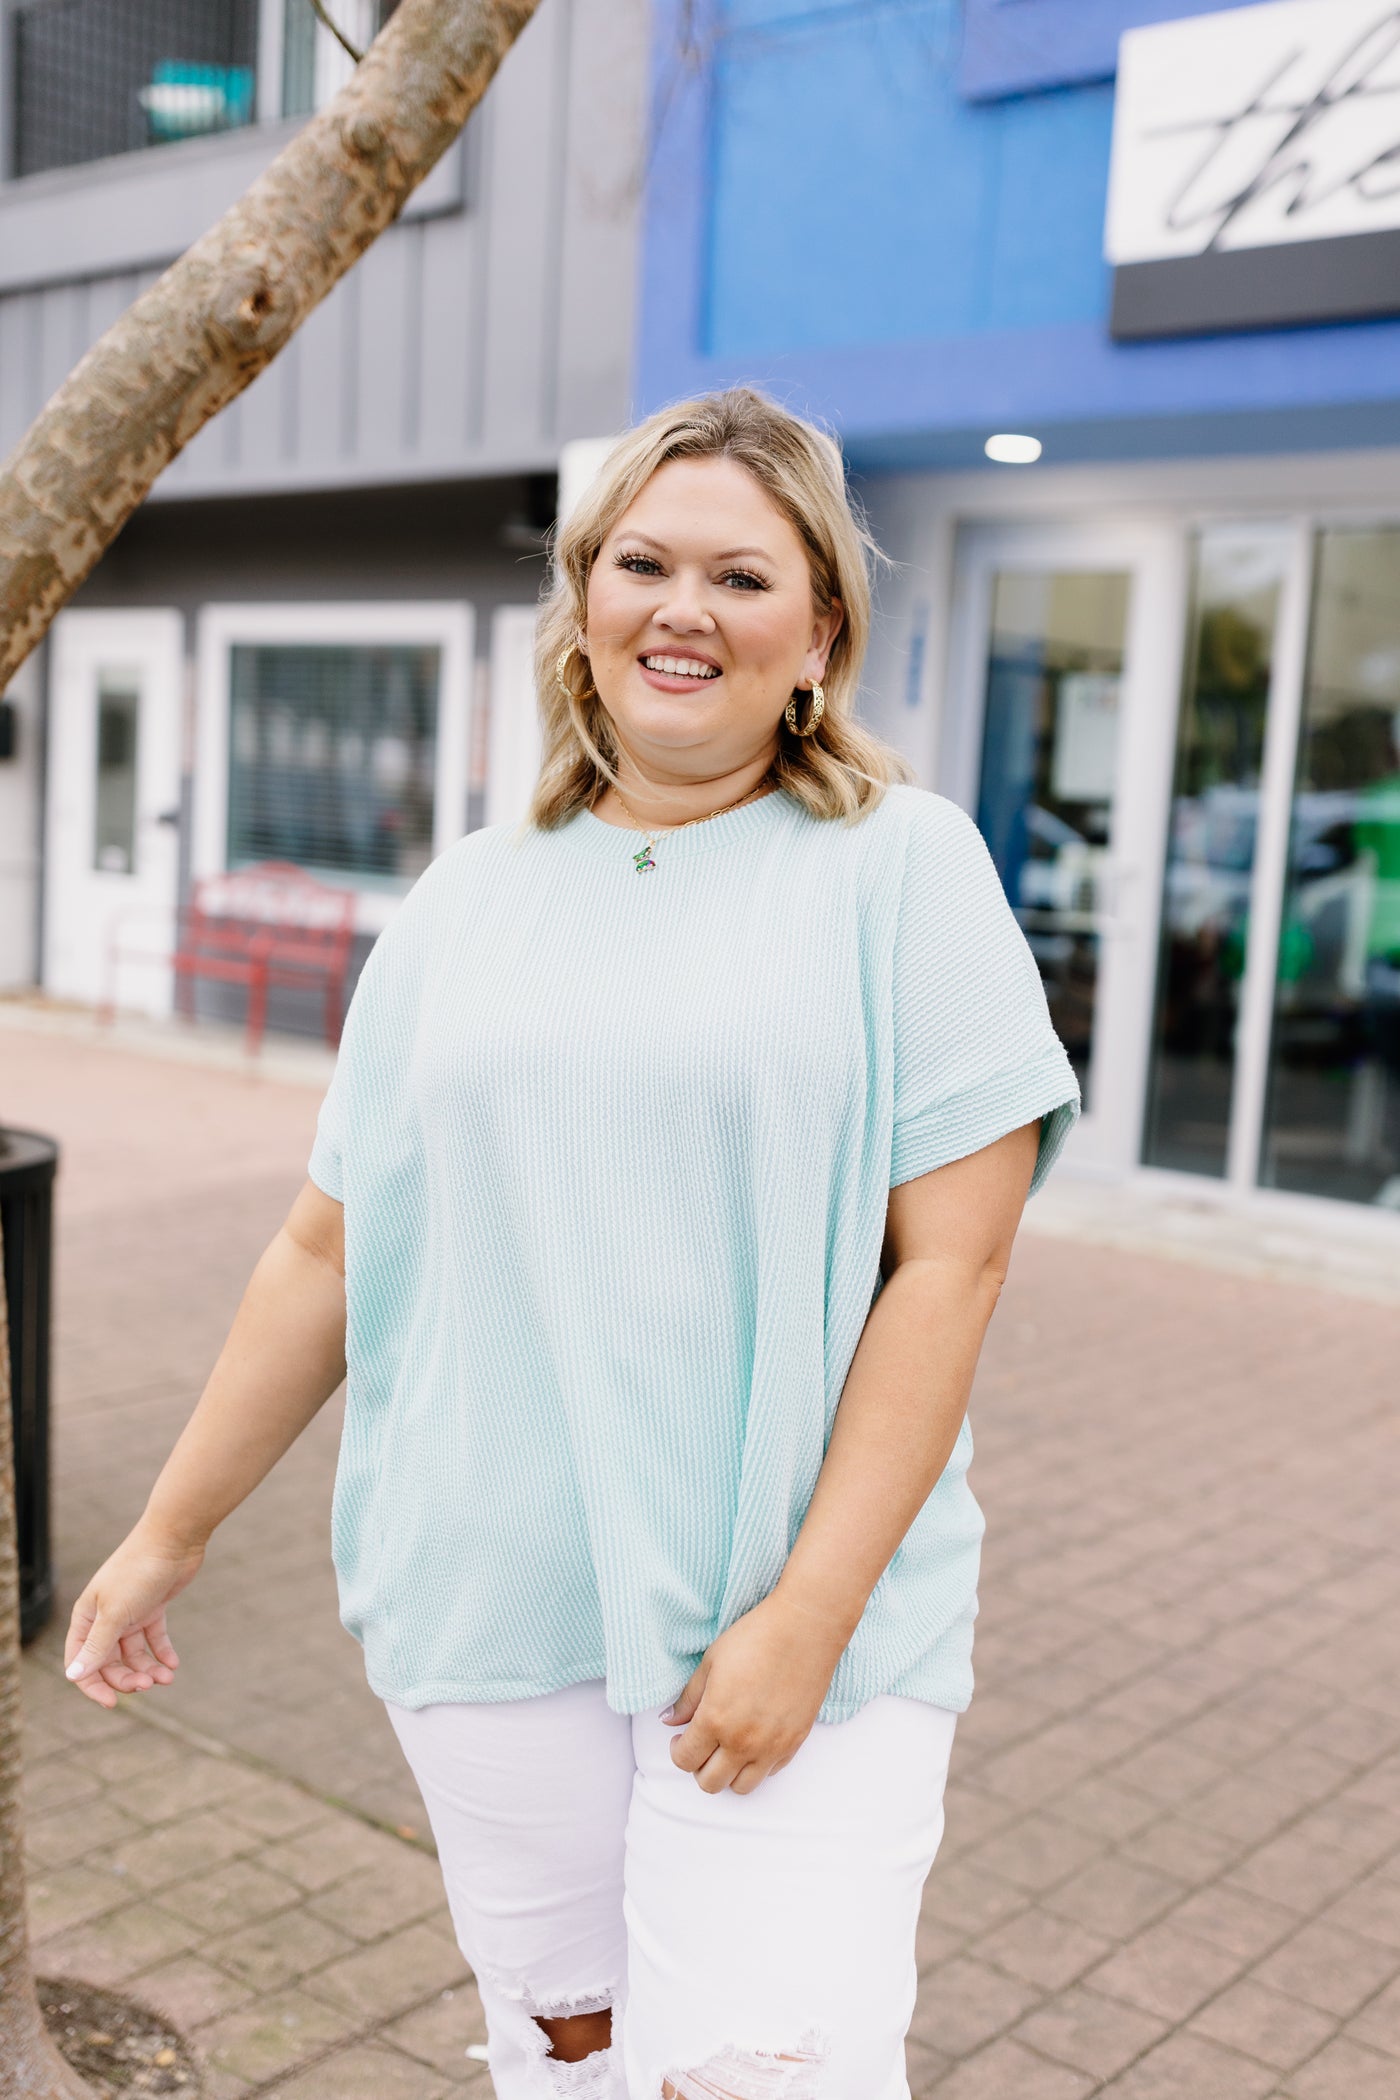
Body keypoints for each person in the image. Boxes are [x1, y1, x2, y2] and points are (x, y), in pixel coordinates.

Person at [63, 388, 1080, 2100]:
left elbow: (950, 1273)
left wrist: (809, 1618)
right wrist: (171, 1530)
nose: (684, 609)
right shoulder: (466, 897)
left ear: (819, 631)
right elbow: (326, 1253)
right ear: (584, 606)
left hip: (785, 1618)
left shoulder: (905, 871)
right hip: (486, 1602)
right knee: (566, 2056)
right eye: (643, 563)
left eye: (742, 578)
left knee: (761, 2074)